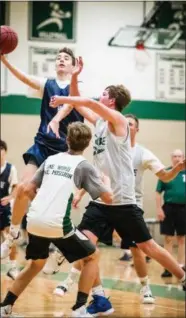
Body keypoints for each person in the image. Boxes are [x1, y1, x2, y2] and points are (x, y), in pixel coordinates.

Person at [48, 57, 186, 315]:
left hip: (123, 202)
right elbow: (82, 100)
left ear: (111, 100)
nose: (99, 96)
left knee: (148, 247)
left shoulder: (118, 121)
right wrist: (75, 76)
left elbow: (84, 102)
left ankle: (182, 276)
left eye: (103, 93)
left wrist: (63, 100)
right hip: (101, 200)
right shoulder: (100, 122)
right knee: (85, 248)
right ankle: (95, 300)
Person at [0, 122, 113, 318]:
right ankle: (79, 308)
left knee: (35, 264)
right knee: (92, 256)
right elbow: (108, 199)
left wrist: (41, 207)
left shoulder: (51, 159)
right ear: (87, 144)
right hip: (57, 224)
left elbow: (26, 190)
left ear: (66, 140)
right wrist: (106, 181)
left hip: (34, 220)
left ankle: (5, 307)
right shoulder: (84, 166)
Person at [0, 48, 84, 261]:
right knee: (22, 187)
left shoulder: (77, 87)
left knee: (55, 203)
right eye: (58, 58)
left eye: (66, 58)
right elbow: (24, 78)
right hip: (42, 143)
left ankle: (64, 245)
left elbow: (73, 103)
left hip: (66, 150)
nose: (61, 60)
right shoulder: (47, 84)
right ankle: (12, 234)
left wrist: (58, 117)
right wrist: (4, 60)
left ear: (74, 65)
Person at [156, 149, 186, 278]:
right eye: (174, 156)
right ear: (171, 158)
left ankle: (181, 266)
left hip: (183, 209)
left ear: (183, 158)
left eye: (179, 156)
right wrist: (159, 209)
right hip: (168, 208)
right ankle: (168, 268)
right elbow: (158, 192)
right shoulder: (166, 173)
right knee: (168, 238)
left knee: (182, 238)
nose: (177, 158)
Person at [0, 140, 19, 280]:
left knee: (10, 237)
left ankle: (12, 267)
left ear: (5, 151)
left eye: (1, 149)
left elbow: (16, 187)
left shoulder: (10, 169)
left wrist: (10, 197)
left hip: (4, 207)